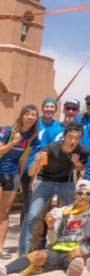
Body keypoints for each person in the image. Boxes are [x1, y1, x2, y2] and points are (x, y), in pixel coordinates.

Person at [0, 180, 90, 276]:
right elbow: (54, 241)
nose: (83, 196)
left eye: (88, 193)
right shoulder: (62, 211)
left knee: (75, 251)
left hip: (77, 252)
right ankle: (4, 271)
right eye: (80, 193)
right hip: (58, 251)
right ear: (75, 194)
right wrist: (50, 226)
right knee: (36, 255)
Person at [20, 123, 89, 256]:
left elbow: (81, 169)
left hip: (65, 183)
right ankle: (28, 249)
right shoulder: (50, 149)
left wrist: (77, 163)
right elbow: (31, 173)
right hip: (45, 180)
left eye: (77, 138)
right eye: (70, 137)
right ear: (64, 136)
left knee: (75, 213)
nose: (73, 141)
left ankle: (69, 245)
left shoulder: (83, 151)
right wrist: (35, 163)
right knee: (34, 215)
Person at [0, 104, 39, 259]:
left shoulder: (31, 136)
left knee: (4, 211)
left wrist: (20, 178)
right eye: (27, 114)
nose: (30, 117)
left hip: (13, 175)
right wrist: (13, 143)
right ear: (22, 115)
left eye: (33, 115)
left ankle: (0, 248)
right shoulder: (8, 130)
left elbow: (24, 158)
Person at [21, 98, 60, 225]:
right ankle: (24, 233)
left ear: (55, 109)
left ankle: (38, 237)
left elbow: (46, 150)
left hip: (42, 169)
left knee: (42, 204)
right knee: (28, 201)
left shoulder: (56, 126)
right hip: (26, 167)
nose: (49, 109)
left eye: (52, 106)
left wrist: (40, 170)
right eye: (47, 106)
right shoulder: (33, 121)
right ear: (42, 108)